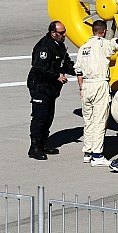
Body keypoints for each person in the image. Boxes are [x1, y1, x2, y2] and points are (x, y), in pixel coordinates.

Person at [74, 20, 118, 166]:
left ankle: (88, 152)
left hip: (86, 86)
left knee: (88, 121)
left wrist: (81, 88)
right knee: (100, 120)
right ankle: (97, 155)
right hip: (99, 84)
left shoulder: (83, 47)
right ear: (104, 31)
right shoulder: (102, 44)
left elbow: (78, 71)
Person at [26, 21, 76, 160]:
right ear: (53, 33)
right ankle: (34, 148)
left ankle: (43, 144)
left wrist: (78, 71)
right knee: (39, 117)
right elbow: (39, 67)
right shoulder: (45, 46)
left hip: (51, 88)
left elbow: (65, 64)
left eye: (64, 32)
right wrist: (56, 76)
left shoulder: (59, 46)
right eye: (61, 33)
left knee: (48, 117)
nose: (64, 35)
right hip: (40, 86)